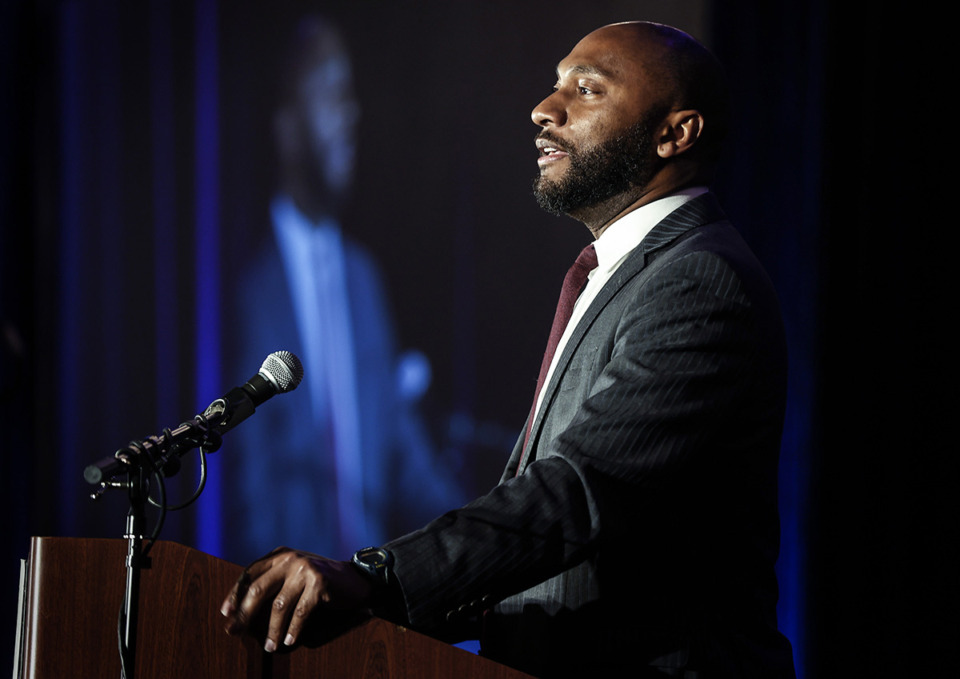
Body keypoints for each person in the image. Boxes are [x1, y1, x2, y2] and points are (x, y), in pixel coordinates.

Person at [221, 21, 797, 678]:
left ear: (675, 132)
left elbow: (575, 495)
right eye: (555, 85)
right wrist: (375, 605)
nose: (544, 109)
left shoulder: (699, 281)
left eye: (586, 89)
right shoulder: (619, 275)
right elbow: (545, 542)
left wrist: (373, 579)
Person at [224, 16, 462, 564]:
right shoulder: (244, 287)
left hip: (364, 607)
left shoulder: (363, 278)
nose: (351, 115)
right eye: (332, 94)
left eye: (351, 96)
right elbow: (244, 484)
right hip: (284, 616)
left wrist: (485, 532)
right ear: (286, 125)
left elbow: (403, 458)